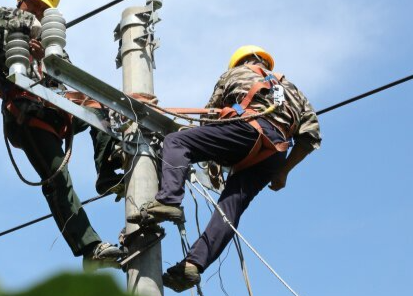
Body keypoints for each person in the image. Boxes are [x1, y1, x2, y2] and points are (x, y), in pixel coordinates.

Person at [129, 45, 322, 292]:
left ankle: (168, 200)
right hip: (275, 152)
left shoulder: (234, 75)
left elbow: (208, 118)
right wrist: (283, 171)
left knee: (177, 141)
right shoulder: (294, 91)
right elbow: (310, 136)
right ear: (265, 62)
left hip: (246, 130)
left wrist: (213, 161)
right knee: (231, 207)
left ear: (239, 62)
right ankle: (193, 265)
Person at [0, 0, 124, 268]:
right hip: (26, 114)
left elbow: (69, 80)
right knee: (58, 178)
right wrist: (29, 25)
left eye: (45, 10)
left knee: (102, 107)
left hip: (55, 111)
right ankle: (90, 250)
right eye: (36, 5)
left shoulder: (51, 43)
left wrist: (50, 59)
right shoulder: (3, 28)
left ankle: (108, 169)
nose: (39, 13)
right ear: (22, 0)